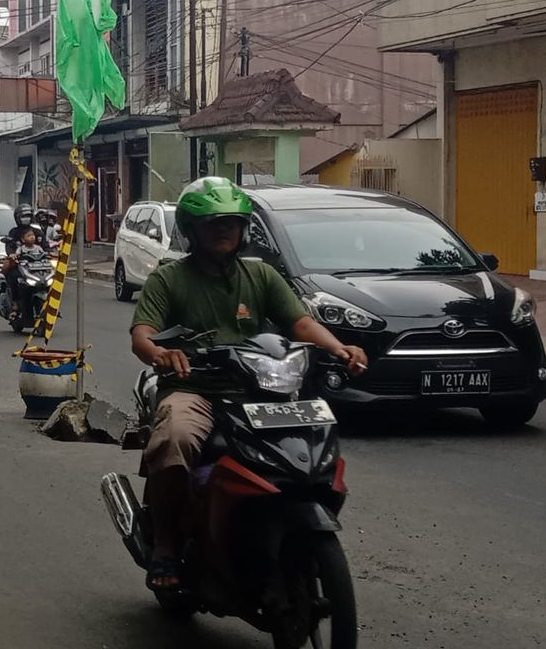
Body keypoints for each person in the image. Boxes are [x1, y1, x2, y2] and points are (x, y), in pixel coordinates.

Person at [129, 177, 368, 593]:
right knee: (176, 438)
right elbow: (142, 335)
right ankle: (166, 543)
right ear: (191, 230)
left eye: (232, 223)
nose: (223, 230)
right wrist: (161, 354)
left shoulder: (261, 275)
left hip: (260, 391)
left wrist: (340, 346)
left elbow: (302, 323)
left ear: (244, 229)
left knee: (314, 440)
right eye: (212, 223)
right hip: (195, 388)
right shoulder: (169, 279)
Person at [2, 204, 45, 319]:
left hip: (38, 266)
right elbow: (9, 247)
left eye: (28, 216)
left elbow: (47, 247)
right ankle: (15, 305)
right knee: (13, 276)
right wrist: (12, 255)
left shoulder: (38, 232)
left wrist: (54, 252)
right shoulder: (14, 233)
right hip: (21, 266)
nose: (26, 218)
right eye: (23, 216)